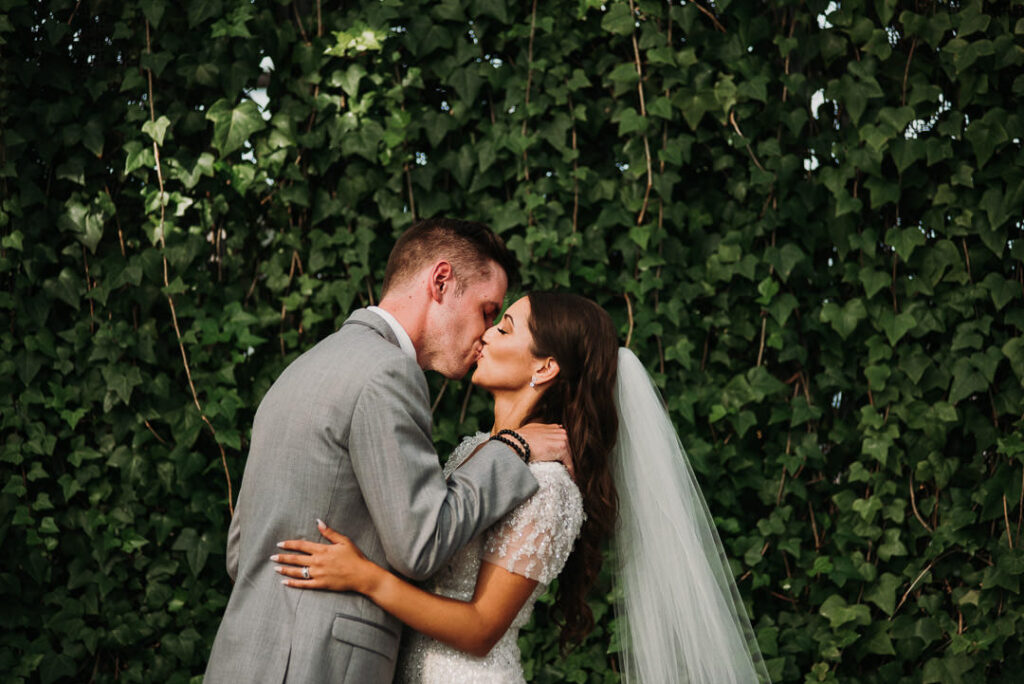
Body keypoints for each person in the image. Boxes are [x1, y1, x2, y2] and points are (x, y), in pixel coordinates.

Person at [273, 292, 772, 683]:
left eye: (505, 327)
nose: (485, 334)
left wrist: (365, 578)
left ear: (544, 367)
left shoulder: (549, 487)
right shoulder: (473, 450)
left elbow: (481, 629)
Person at [204, 219, 570, 684]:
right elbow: (420, 545)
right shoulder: (387, 374)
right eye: (486, 310)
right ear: (441, 282)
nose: (485, 333)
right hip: (317, 666)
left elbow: (241, 553)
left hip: (246, 656)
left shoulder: (300, 370)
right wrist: (512, 447)